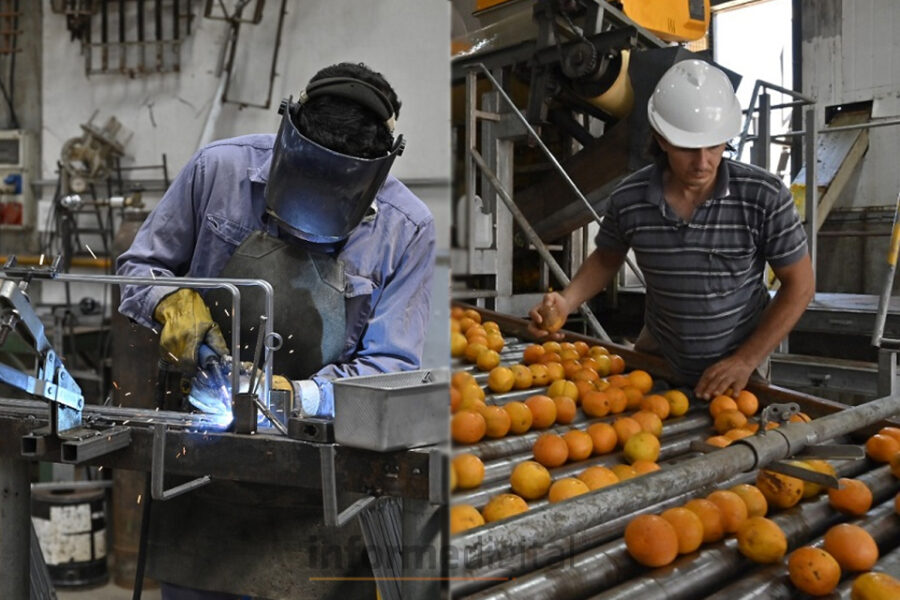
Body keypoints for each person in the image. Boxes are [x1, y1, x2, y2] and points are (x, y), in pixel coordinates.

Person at [115, 62, 436, 599]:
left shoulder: (407, 229)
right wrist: (175, 309)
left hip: (323, 484)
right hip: (204, 471)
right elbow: (138, 269)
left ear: (373, 175)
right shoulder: (220, 171)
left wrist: (295, 396)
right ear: (289, 136)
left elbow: (390, 368)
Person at [529, 59, 814, 400]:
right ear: (661, 139)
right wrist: (566, 300)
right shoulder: (630, 198)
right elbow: (607, 257)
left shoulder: (763, 196)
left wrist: (745, 360)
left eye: (714, 145)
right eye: (688, 148)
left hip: (739, 364)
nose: (703, 162)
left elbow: (800, 285)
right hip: (659, 356)